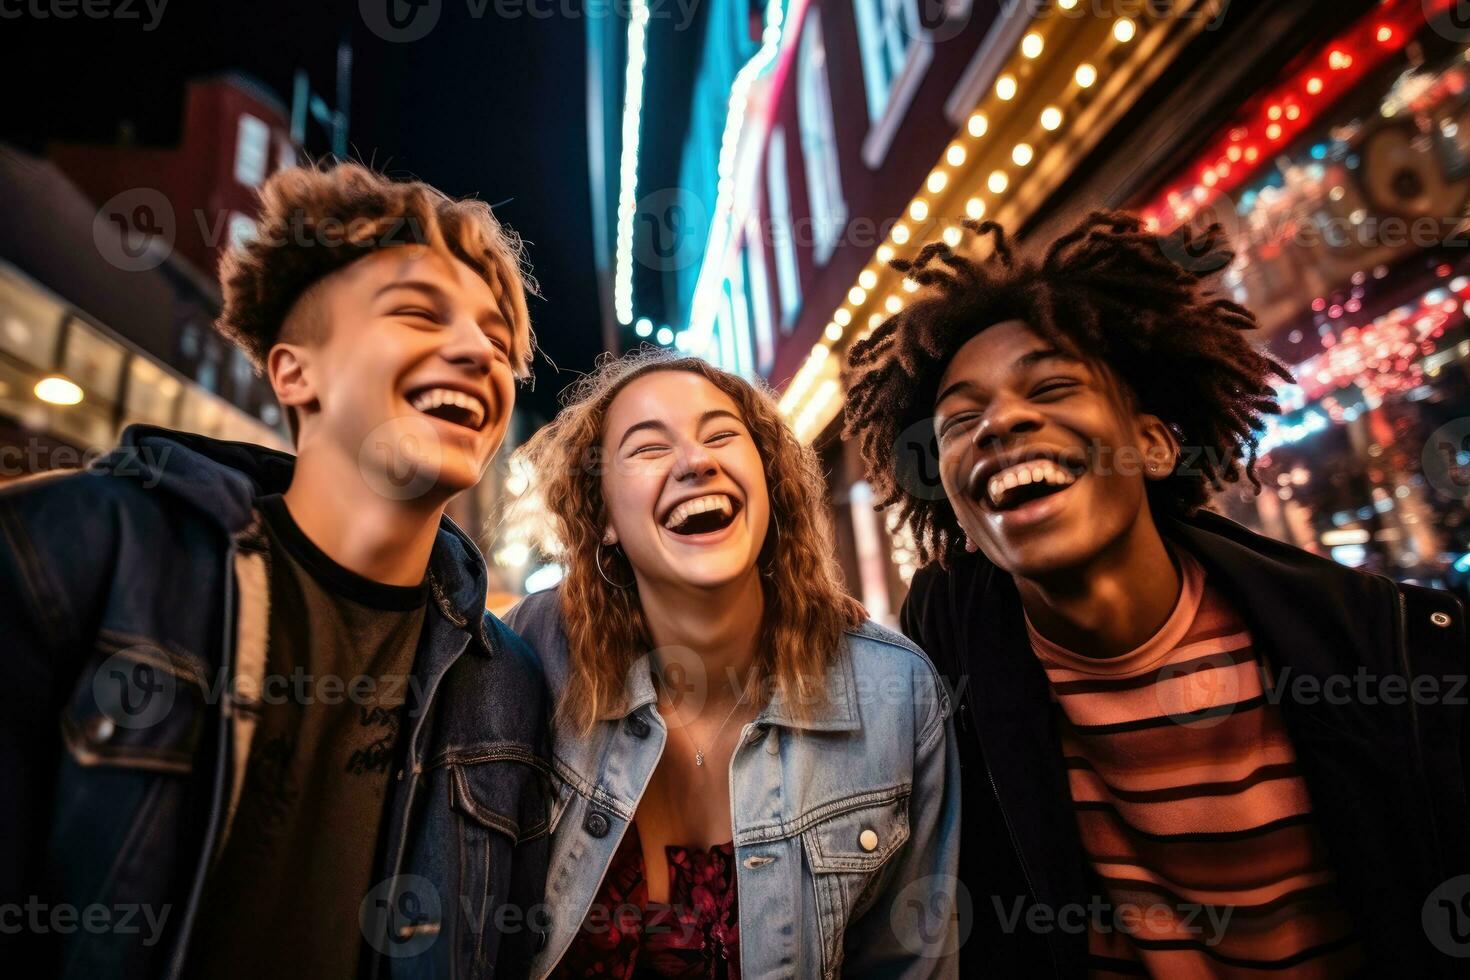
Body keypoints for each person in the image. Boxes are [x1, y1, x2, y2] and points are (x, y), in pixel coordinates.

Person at [843, 211, 1470, 976]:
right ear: (959, 515)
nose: (1001, 421)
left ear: (1153, 442)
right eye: (960, 421)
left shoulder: (1388, 652)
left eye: (1051, 385)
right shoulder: (946, 680)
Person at [0, 162, 552, 979]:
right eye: (415, 313)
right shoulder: (81, 548)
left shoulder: (506, 683)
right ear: (294, 372)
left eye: (497, 340)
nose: (478, 351)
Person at [504, 349, 960, 978]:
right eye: (647, 448)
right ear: (602, 515)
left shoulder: (895, 692)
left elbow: (909, 962)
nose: (696, 461)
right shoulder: (534, 651)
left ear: (769, 479)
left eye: (721, 434)